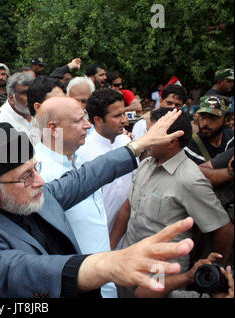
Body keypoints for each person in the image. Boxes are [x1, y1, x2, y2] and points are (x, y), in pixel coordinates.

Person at [0, 107, 197, 298]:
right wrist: (108, 264)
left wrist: (138, 145)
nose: (40, 181)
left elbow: (86, 176)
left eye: (35, 168)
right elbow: (26, 272)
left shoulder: (36, 196)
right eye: (26, 176)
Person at [116, 107, 233, 298]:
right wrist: (110, 250)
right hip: (128, 267)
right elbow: (127, 208)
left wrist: (213, 273)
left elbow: (224, 229)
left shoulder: (190, 180)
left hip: (162, 278)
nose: (147, 137)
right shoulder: (147, 163)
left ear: (172, 141)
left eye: (154, 133)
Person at [34, 96, 117, 298]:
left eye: (85, 117)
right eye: (78, 120)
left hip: (105, 280)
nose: (88, 125)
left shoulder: (80, 158)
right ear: (53, 129)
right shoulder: (39, 177)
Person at [77, 88, 134, 248]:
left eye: (123, 114)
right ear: (98, 120)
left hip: (129, 238)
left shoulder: (128, 144)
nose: (124, 120)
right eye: (117, 116)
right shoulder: (83, 152)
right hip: (96, 242)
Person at [184, 96, 234, 165]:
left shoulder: (232, 139)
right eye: (202, 116)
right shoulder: (190, 148)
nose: (205, 123)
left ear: (227, 119)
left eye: (213, 117)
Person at [0, 72, 35, 140]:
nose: (31, 97)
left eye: (32, 92)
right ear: (11, 98)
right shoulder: (2, 122)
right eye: (24, 93)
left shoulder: (37, 109)